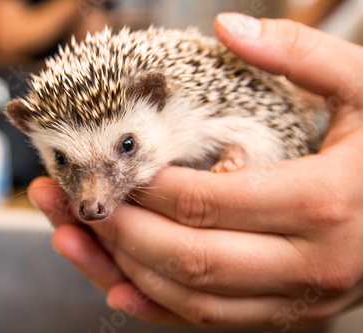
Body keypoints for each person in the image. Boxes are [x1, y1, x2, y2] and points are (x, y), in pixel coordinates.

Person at [28, 13, 363, 328]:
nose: (91, 197)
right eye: (63, 161)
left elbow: (272, 140)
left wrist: (236, 157)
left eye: (126, 146)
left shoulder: (209, 112)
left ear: (157, 100)